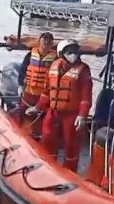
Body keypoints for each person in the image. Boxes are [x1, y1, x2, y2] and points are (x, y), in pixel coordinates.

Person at [27, 39, 92, 172]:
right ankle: (48, 168)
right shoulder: (54, 67)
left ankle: (70, 171)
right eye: (69, 52)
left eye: (75, 52)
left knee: (71, 144)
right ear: (61, 53)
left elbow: (86, 97)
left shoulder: (83, 70)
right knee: (48, 136)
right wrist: (38, 107)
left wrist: (82, 115)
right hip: (54, 111)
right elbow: (46, 92)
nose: (73, 55)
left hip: (72, 114)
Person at [15, 32, 56, 137]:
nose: (46, 43)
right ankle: (23, 132)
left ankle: (38, 134)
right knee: (23, 111)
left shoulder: (55, 59)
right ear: (39, 41)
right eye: (44, 40)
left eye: (49, 41)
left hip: (44, 93)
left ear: (52, 43)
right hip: (29, 90)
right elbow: (23, 70)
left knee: (41, 114)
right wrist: (20, 85)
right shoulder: (30, 55)